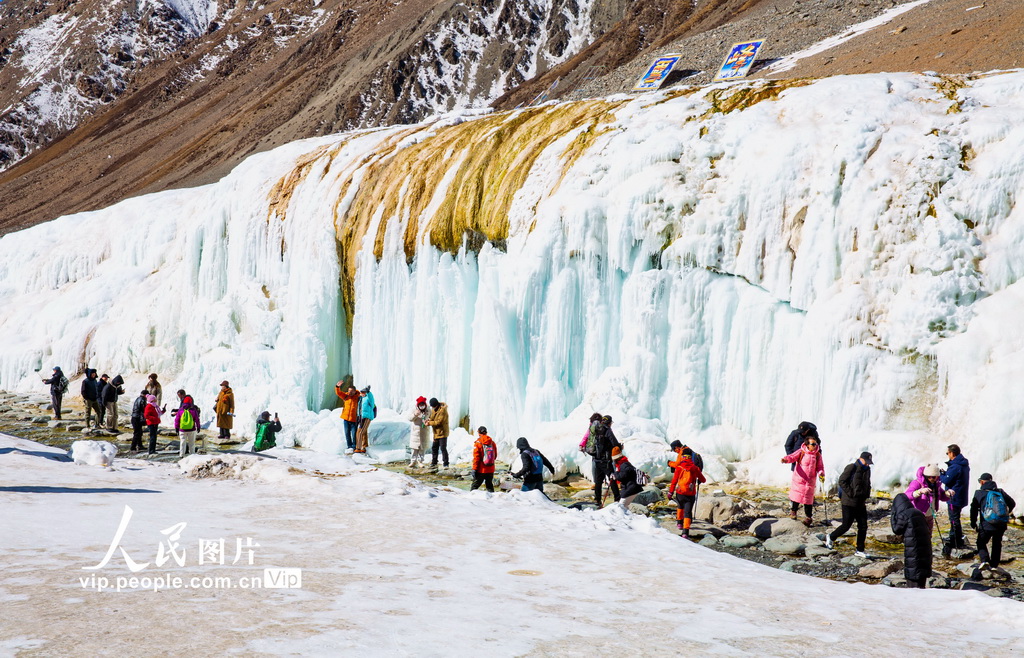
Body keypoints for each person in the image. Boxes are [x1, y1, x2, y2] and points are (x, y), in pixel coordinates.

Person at [825, 451, 872, 557]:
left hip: (861, 502)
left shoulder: (867, 469)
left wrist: (867, 493)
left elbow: (867, 483)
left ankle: (860, 550)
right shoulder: (851, 467)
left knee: (863, 526)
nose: (868, 464)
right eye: (867, 461)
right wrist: (851, 493)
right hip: (848, 502)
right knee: (846, 525)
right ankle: (831, 537)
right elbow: (842, 481)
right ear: (862, 459)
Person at [969, 473, 1016, 568]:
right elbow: (1012, 503)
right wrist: (1006, 514)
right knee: (997, 543)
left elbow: (973, 509)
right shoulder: (1000, 491)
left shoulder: (979, 493)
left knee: (981, 542)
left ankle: (985, 560)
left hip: (987, 524)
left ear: (982, 482)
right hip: (1001, 523)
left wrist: (973, 523)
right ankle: (994, 565)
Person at [890, 492, 933, 589]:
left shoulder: (904, 515)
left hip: (913, 554)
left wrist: (893, 515)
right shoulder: (918, 512)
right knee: (921, 584)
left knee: (913, 587)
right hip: (925, 553)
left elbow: (896, 530)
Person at [781, 435, 825, 526]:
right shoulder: (801, 452)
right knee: (797, 497)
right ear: (807, 444)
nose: (815, 445)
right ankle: (793, 511)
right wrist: (785, 459)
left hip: (810, 481)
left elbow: (820, 466)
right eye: (813, 444)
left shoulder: (817, 455)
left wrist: (821, 473)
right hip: (799, 479)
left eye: (816, 443)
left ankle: (808, 517)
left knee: (808, 500)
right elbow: (792, 457)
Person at [939, 444, 970, 557]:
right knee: (955, 517)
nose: (947, 455)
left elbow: (947, 480)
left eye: (947, 453)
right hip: (961, 496)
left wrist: (941, 474)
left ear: (952, 453)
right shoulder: (963, 464)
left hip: (954, 497)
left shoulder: (955, 466)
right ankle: (956, 537)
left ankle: (955, 540)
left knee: (954, 518)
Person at [669, 447, 706, 538]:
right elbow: (703, 480)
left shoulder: (679, 467)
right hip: (690, 493)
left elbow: (674, 481)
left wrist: (670, 492)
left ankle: (679, 523)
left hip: (680, 492)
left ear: (683, 456)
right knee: (688, 512)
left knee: (680, 506)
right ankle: (685, 532)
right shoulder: (695, 468)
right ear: (690, 457)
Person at [905, 464, 948, 534]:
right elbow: (906, 495)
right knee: (918, 537)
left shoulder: (936, 485)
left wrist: (948, 494)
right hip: (918, 516)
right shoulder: (917, 483)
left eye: (936, 477)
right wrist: (919, 492)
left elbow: (942, 496)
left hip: (930, 516)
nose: (933, 479)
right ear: (926, 476)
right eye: (931, 477)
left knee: (928, 536)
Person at [591, 415, 621, 507]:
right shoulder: (607, 430)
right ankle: (617, 498)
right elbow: (614, 442)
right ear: (609, 422)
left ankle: (597, 499)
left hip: (596, 459)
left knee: (598, 481)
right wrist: (620, 447)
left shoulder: (596, 429)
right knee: (612, 478)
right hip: (606, 460)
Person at [335, 382, 361, 453]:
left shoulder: (358, 397)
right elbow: (338, 393)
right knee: (347, 433)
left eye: (351, 391)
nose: (350, 392)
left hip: (354, 419)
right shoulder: (346, 396)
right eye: (349, 391)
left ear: (355, 391)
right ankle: (349, 446)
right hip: (346, 419)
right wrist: (337, 386)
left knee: (354, 433)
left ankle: (354, 446)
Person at [470, 426, 497, 492]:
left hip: (481, 470)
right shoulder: (492, 443)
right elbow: (495, 456)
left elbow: (476, 458)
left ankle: (470, 500)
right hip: (490, 469)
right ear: (486, 432)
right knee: (490, 486)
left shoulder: (478, 443)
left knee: (474, 487)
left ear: (479, 433)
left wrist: (474, 469)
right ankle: (492, 501)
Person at [425, 398, 450, 468]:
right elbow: (432, 418)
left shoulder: (443, 411)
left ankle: (446, 463)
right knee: (434, 447)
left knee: (443, 448)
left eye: (433, 406)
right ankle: (434, 462)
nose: (432, 408)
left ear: (436, 405)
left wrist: (429, 423)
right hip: (436, 433)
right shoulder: (434, 409)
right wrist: (429, 419)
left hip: (442, 433)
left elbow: (439, 422)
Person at [407, 396, 430, 466]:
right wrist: (415, 414)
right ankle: (413, 461)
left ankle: (420, 461)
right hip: (415, 432)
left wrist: (429, 421)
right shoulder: (414, 410)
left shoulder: (428, 410)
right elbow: (409, 418)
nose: (422, 406)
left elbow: (431, 418)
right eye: (420, 405)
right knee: (414, 448)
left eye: (423, 405)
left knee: (422, 448)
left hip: (424, 432)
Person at [354, 386, 376, 454]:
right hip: (361, 417)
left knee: (361, 432)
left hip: (367, 417)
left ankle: (358, 448)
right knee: (360, 432)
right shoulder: (361, 399)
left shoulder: (368, 398)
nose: (362, 393)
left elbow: (371, 400)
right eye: (361, 392)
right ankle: (364, 447)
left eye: (364, 392)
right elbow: (359, 409)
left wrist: (368, 392)